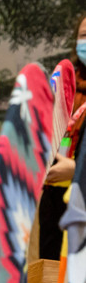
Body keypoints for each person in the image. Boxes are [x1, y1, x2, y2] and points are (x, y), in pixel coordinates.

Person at [39, 14, 86, 259]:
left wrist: (77, 170)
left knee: (80, 267)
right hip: (54, 184)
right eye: (83, 36)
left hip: (82, 189)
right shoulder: (64, 81)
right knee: (45, 261)